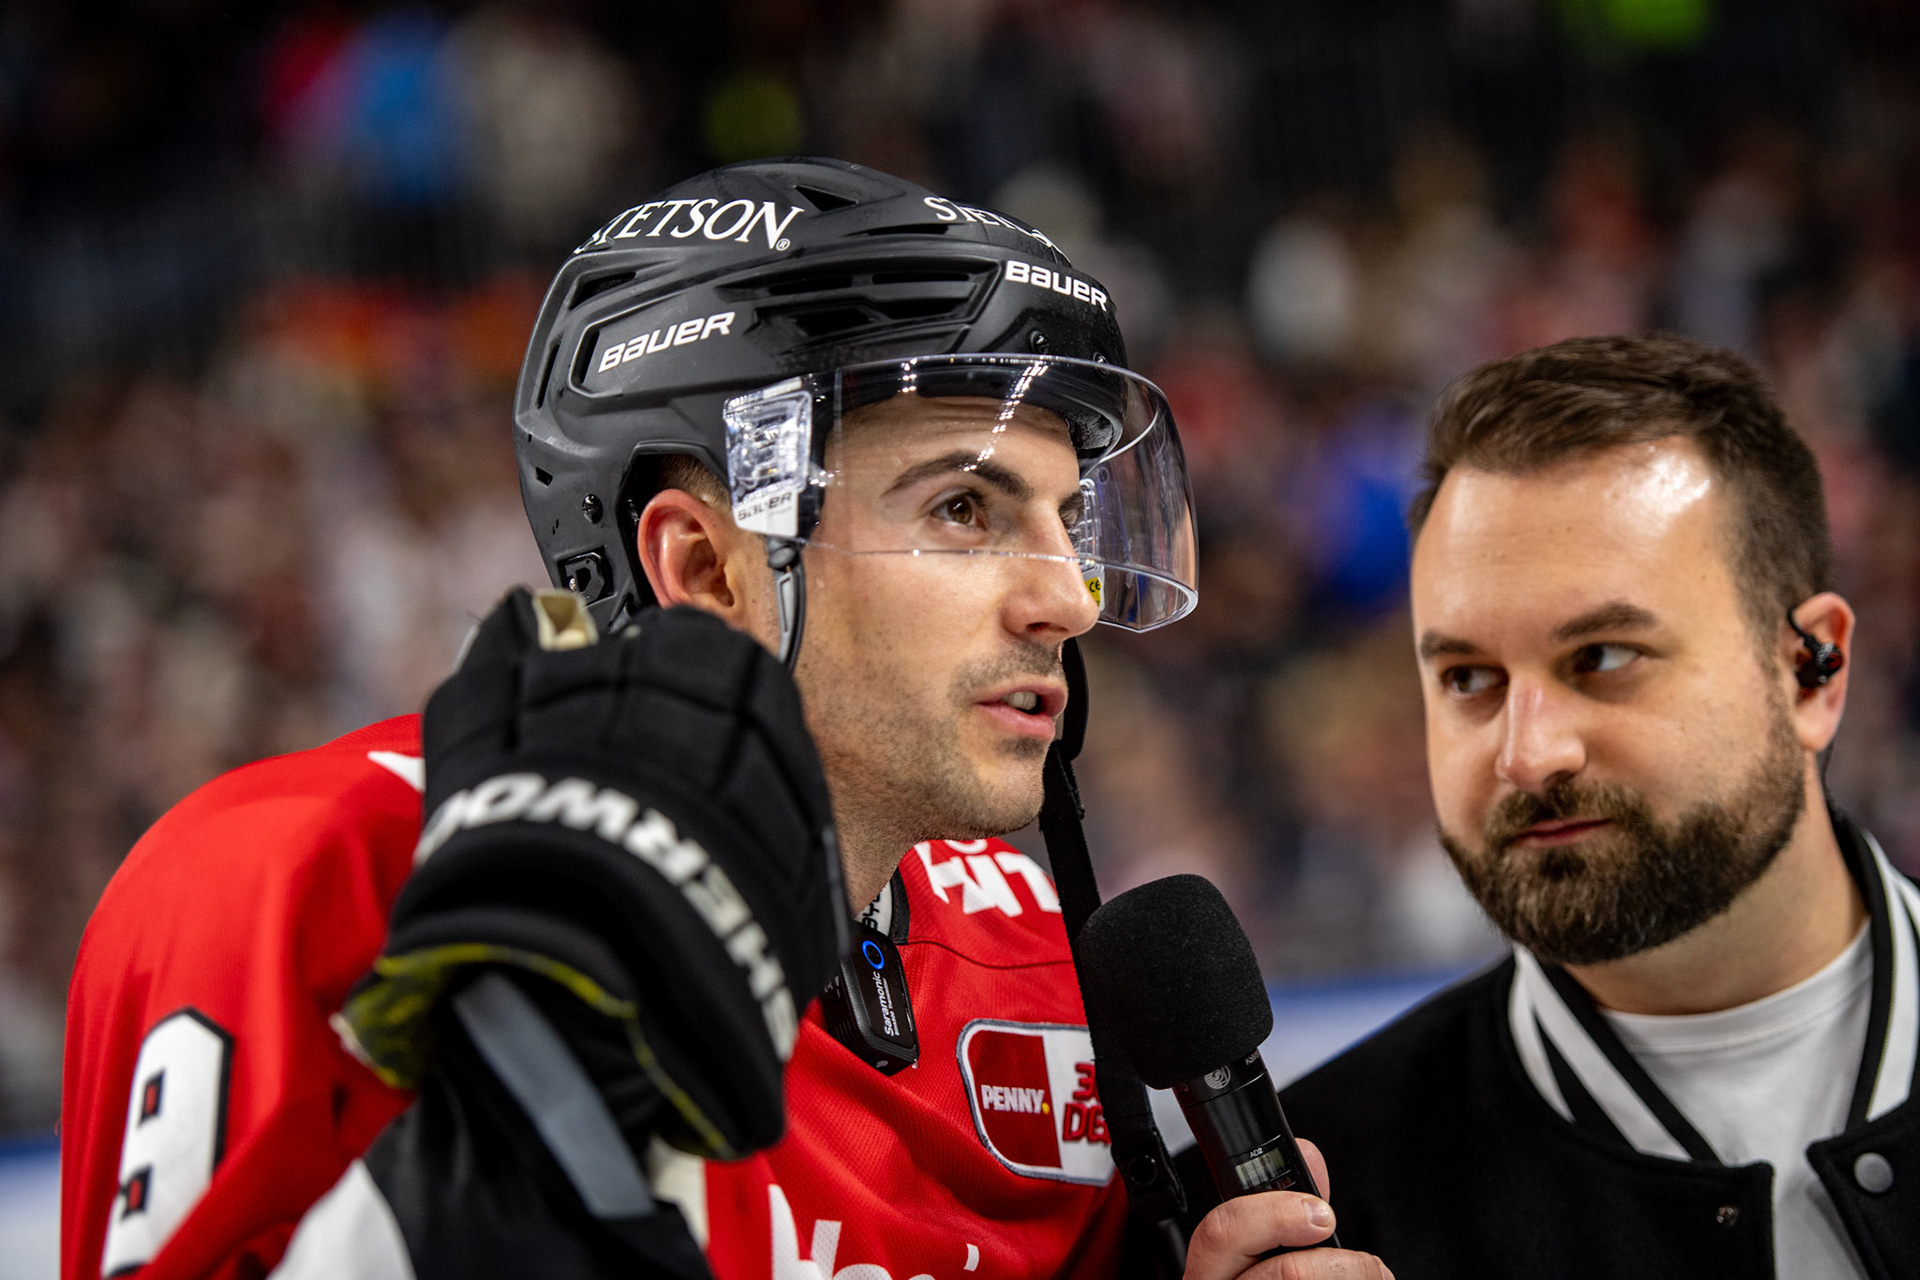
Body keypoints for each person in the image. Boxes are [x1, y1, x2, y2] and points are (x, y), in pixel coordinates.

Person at [62, 158, 1390, 1280]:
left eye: (1066, 519)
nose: (1064, 595)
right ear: (701, 569)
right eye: (963, 509)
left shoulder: (1033, 949)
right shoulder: (305, 873)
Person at [1278, 333, 1919, 1278]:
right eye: (1468, 677)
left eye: (1604, 657)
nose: (1529, 753)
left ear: (1810, 671)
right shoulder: (1313, 1216)